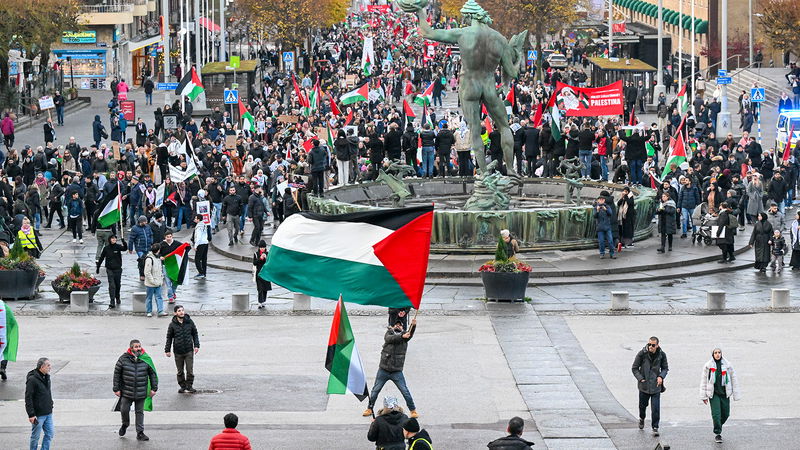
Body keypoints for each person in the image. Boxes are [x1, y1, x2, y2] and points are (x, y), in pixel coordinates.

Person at [363, 319, 418, 419]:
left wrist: (413, 326)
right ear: (392, 326)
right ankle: (370, 408)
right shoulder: (388, 334)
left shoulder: (405, 336)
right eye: (396, 325)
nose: (398, 326)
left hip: (396, 371)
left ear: (403, 327)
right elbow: (390, 339)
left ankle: (413, 410)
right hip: (383, 369)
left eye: (400, 325)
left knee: (405, 391)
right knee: (375, 390)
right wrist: (401, 336)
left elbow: (409, 333)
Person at [113, 339, 158, 441]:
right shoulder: (123, 359)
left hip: (141, 391)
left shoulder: (146, 359)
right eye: (136, 347)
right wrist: (116, 389)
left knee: (139, 412)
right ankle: (125, 424)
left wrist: (154, 388)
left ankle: (140, 433)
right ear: (131, 348)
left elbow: (152, 374)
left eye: (139, 346)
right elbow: (117, 374)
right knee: (124, 410)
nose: (138, 348)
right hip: (126, 391)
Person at [700, 347, 740, 443]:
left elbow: (733, 379)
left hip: (724, 393)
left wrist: (736, 394)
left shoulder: (727, 365)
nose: (717, 354)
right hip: (714, 395)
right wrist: (703, 396)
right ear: (712, 354)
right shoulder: (708, 366)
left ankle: (718, 425)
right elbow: (704, 381)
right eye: (715, 353)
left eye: (719, 352)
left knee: (726, 414)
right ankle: (718, 433)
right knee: (716, 415)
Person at [631, 336, 668, 437]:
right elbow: (634, 368)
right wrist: (640, 378)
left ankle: (655, 427)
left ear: (657, 345)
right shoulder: (642, 354)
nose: (651, 347)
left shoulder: (662, 355)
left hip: (656, 386)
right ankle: (642, 418)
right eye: (649, 344)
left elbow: (665, 368)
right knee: (642, 406)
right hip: (644, 386)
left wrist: (661, 376)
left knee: (655, 407)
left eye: (653, 345)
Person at [164, 305, 200, 393]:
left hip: (188, 350)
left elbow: (195, 334)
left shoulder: (189, 322)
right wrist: (167, 350)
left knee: (190, 370)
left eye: (182, 310)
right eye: (179, 311)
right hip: (178, 351)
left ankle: (189, 386)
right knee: (180, 371)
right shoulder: (172, 325)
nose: (181, 312)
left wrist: (196, 345)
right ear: (175, 313)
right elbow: (169, 338)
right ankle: (182, 386)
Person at [25, 357, 54, 450]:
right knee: (35, 437)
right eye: (48, 365)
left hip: (48, 412)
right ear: (42, 367)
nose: (50, 367)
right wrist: (31, 415)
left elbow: (47, 392)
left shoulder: (47, 377)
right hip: (38, 415)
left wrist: (51, 404)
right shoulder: (32, 379)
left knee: (50, 434)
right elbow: (28, 398)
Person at [96, 234, 128, 308]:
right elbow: (101, 257)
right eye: (112, 239)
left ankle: (117, 296)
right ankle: (112, 300)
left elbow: (125, 248)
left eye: (115, 239)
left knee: (117, 285)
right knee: (112, 285)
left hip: (118, 269)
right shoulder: (106, 248)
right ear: (110, 240)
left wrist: (124, 242)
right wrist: (98, 267)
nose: (114, 240)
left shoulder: (118, 246)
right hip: (110, 269)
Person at [159, 230, 188, 303]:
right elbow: (157, 252)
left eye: (170, 237)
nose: (169, 238)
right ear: (164, 237)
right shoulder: (161, 244)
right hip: (165, 265)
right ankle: (170, 297)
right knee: (168, 283)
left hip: (175, 266)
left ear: (172, 236)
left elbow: (183, 248)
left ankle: (172, 292)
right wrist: (160, 257)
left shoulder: (176, 243)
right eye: (167, 237)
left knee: (175, 281)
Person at [143, 243, 166, 317]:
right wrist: (152, 281)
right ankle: (149, 311)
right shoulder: (149, 259)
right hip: (151, 283)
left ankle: (160, 310)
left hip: (158, 282)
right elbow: (147, 272)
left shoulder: (158, 258)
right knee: (149, 298)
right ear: (158, 250)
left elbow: (160, 270)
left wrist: (161, 279)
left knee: (159, 297)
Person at [129, 216, 153, 281]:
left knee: (148, 261)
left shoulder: (148, 227)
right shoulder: (135, 228)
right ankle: (142, 274)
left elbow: (151, 235)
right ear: (141, 222)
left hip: (148, 247)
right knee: (142, 261)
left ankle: (147, 273)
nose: (146, 222)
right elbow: (131, 239)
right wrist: (130, 248)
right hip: (140, 248)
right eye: (144, 221)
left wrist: (151, 242)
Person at [253, 240, 271, 308]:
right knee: (260, 288)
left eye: (263, 247)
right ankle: (259, 301)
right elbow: (254, 263)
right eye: (261, 247)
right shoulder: (256, 254)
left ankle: (263, 301)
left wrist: (265, 258)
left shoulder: (268, 253)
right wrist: (260, 258)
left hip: (265, 273)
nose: (262, 249)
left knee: (265, 288)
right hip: (259, 273)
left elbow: (269, 263)